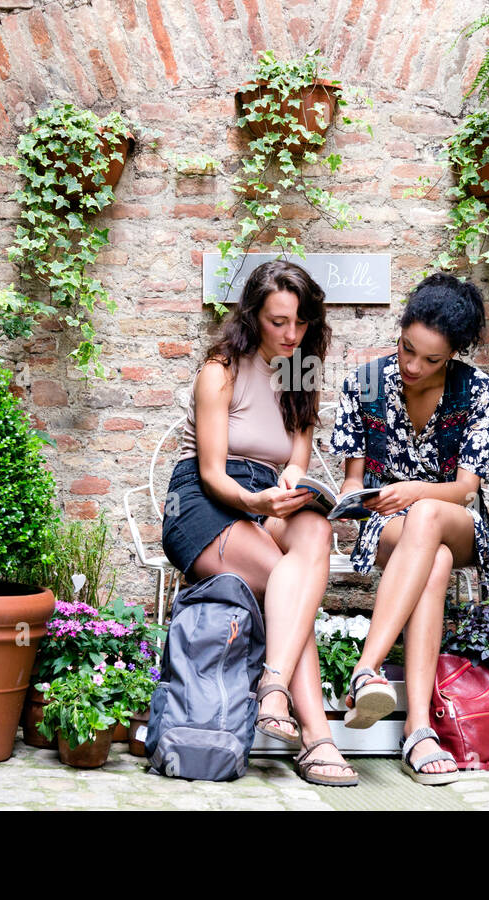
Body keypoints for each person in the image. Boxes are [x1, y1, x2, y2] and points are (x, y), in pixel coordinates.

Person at [160, 259, 357, 786]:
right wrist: (258, 503)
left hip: (269, 496)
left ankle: (275, 686)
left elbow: (297, 454)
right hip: (207, 502)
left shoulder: (298, 367)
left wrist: (291, 485)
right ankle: (316, 737)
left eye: (301, 322)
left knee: (315, 530)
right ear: (252, 317)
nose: (292, 334)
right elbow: (210, 473)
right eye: (278, 322)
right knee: (288, 583)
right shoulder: (220, 370)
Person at [328, 273, 489, 784]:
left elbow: (463, 490)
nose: (413, 366)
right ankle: (417, 730)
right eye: (407, 349)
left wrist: (414, 491)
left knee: (429, 519)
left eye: (430, 360)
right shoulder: (366, 381)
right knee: (430, 560)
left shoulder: (476, 390)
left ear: (452, 356)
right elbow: (353, 485)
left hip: (456, 520)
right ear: (402, 331)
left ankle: (366, 669)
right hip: (386, 525)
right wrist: (355, 500)